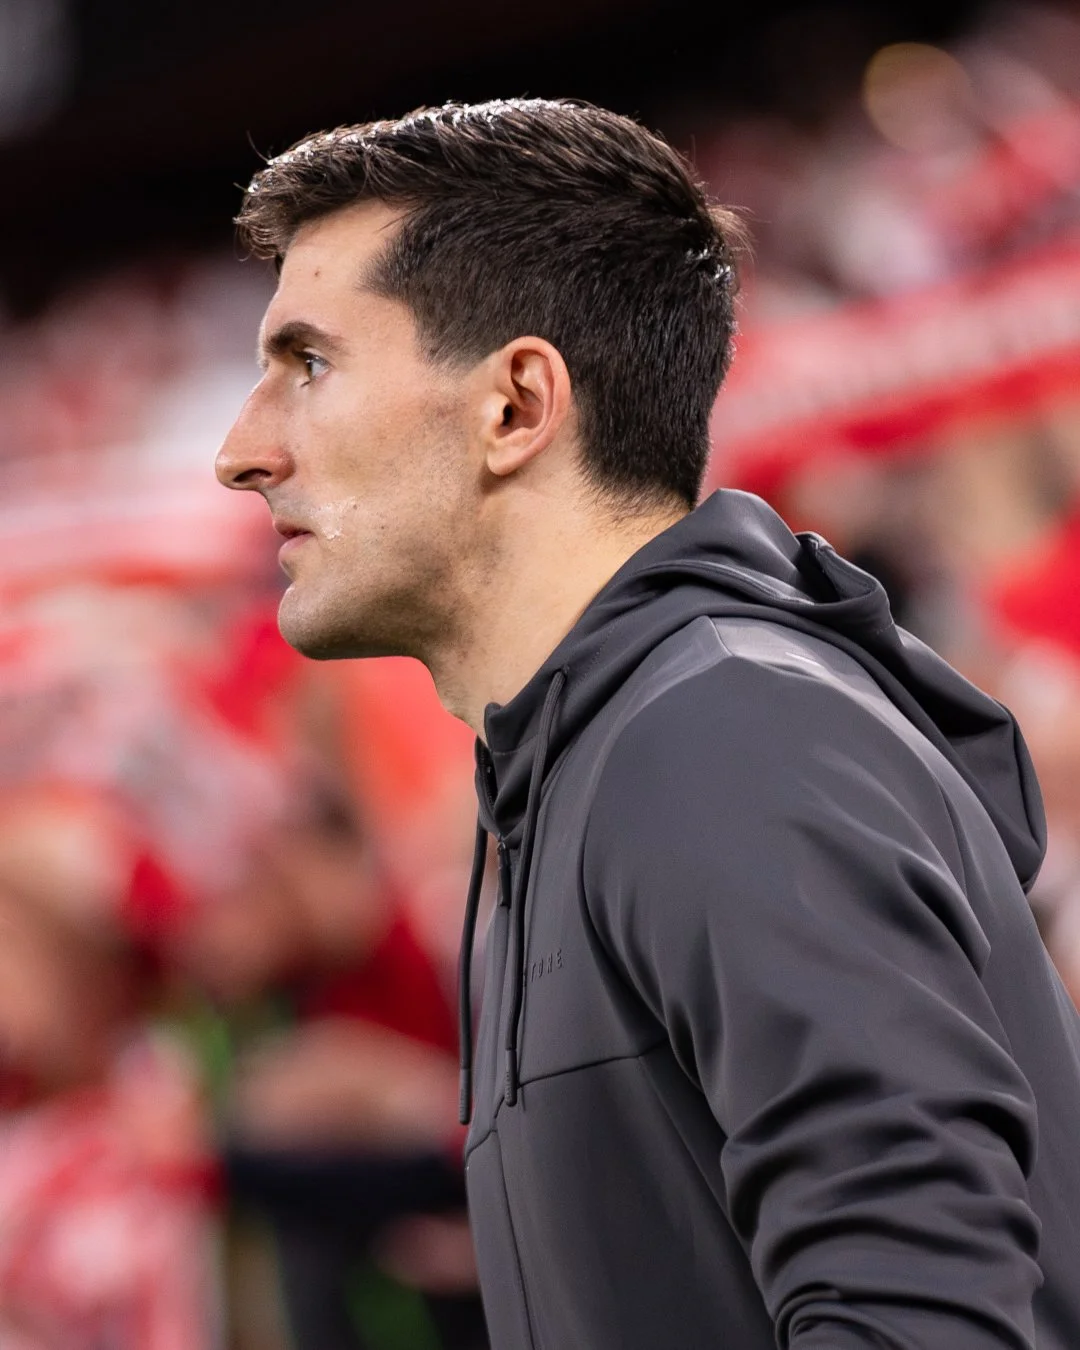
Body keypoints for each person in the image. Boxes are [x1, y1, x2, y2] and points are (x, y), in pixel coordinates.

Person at [215, 99, 1080, 1350]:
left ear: (516, 405)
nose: (242, 452)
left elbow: (924, 1321)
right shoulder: (611, 752)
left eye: (308, 365)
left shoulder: (720, 738)